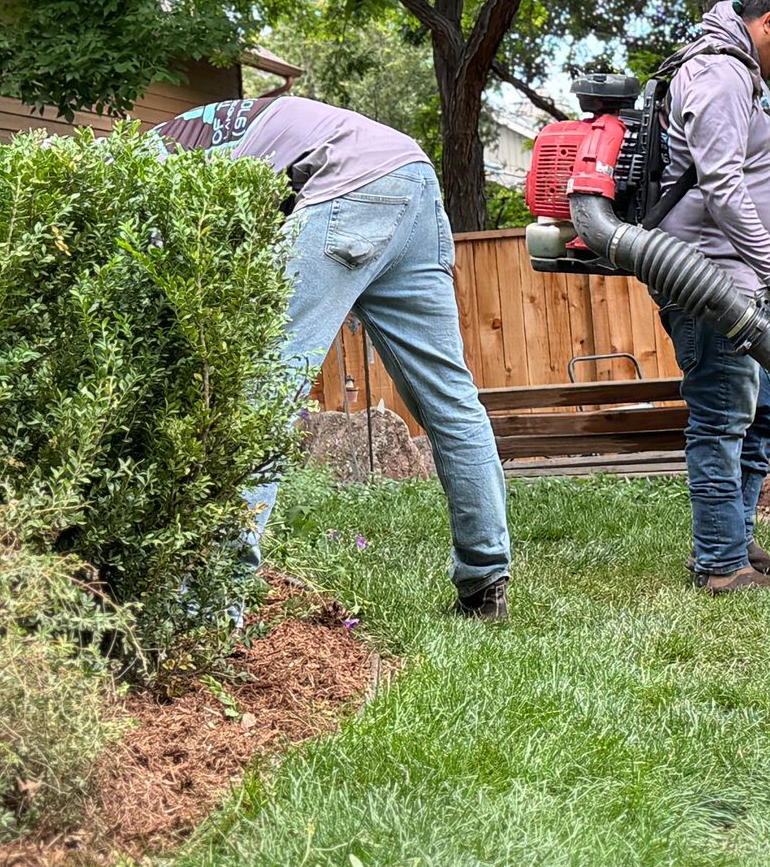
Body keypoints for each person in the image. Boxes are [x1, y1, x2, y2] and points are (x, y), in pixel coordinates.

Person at [150, 96, 512, 623]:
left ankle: (209, 607)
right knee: (449, 397)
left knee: (263, 391)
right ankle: (486, 581)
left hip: (348, 186)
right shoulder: (203, 129)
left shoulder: (151, 157)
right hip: (413, 179)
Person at [655, 0, 770, 593]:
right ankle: (719, 565)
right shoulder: (721, 74)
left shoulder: (738, 69)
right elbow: (721, 183)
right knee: (721, 417)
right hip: (707, 277)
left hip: (732, 277)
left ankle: (733, 536)